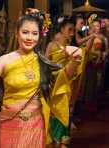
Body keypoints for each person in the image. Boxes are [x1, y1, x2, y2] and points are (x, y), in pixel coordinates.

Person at [0, 11, 82, 148]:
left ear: (39, 36)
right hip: (9, 123)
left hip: (35, 123)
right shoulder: (4, 61)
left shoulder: (42, 62)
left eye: (34, 33)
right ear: (17, 33)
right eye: (25, 32)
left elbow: (63, 78)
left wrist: (75, 60)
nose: (29, 37)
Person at [46, 17, 82, 148]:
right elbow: (45, 65)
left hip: (67, 85)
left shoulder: (72, 49)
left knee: (66, 112)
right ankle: (54, 141)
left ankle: (63, 142)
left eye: (73, 30)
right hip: (54, 85)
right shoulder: (52, 45)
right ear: (61, 29)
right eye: (70, 30)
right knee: (54, 113)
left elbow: (76, 71)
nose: (72, 33)